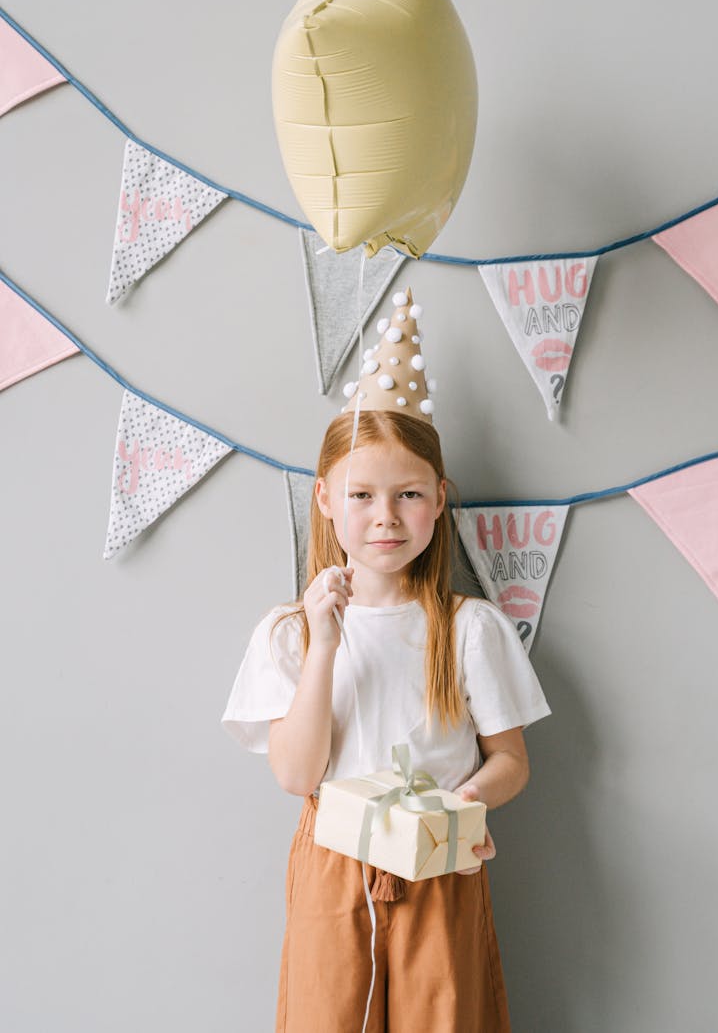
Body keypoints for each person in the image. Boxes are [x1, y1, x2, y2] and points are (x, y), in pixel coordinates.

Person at [221, 288, 551, 1032]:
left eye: (407, 495)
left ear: (439, 500)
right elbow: (296, 775)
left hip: (439, 859)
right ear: (327, 501)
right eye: (363, 495)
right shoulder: (291, 634)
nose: (385, 517)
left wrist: (457, 809)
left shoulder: (471, 629)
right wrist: (327, 643)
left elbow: (512, 761)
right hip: (333, 863)